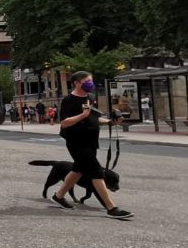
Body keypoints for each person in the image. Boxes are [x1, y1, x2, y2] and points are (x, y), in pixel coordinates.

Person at [51, 71, 133, 219]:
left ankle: (59, 195)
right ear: (77, 83)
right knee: (96, 172)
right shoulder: (69, 100)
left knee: (78, 169)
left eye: (91, 80)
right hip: (76, 142)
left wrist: (109, 121)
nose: (90, 83)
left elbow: (94, 117)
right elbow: (64, 122)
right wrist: (82, 115)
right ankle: (111, 208)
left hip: (91, 141)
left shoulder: (90, 97)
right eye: (87, 81)